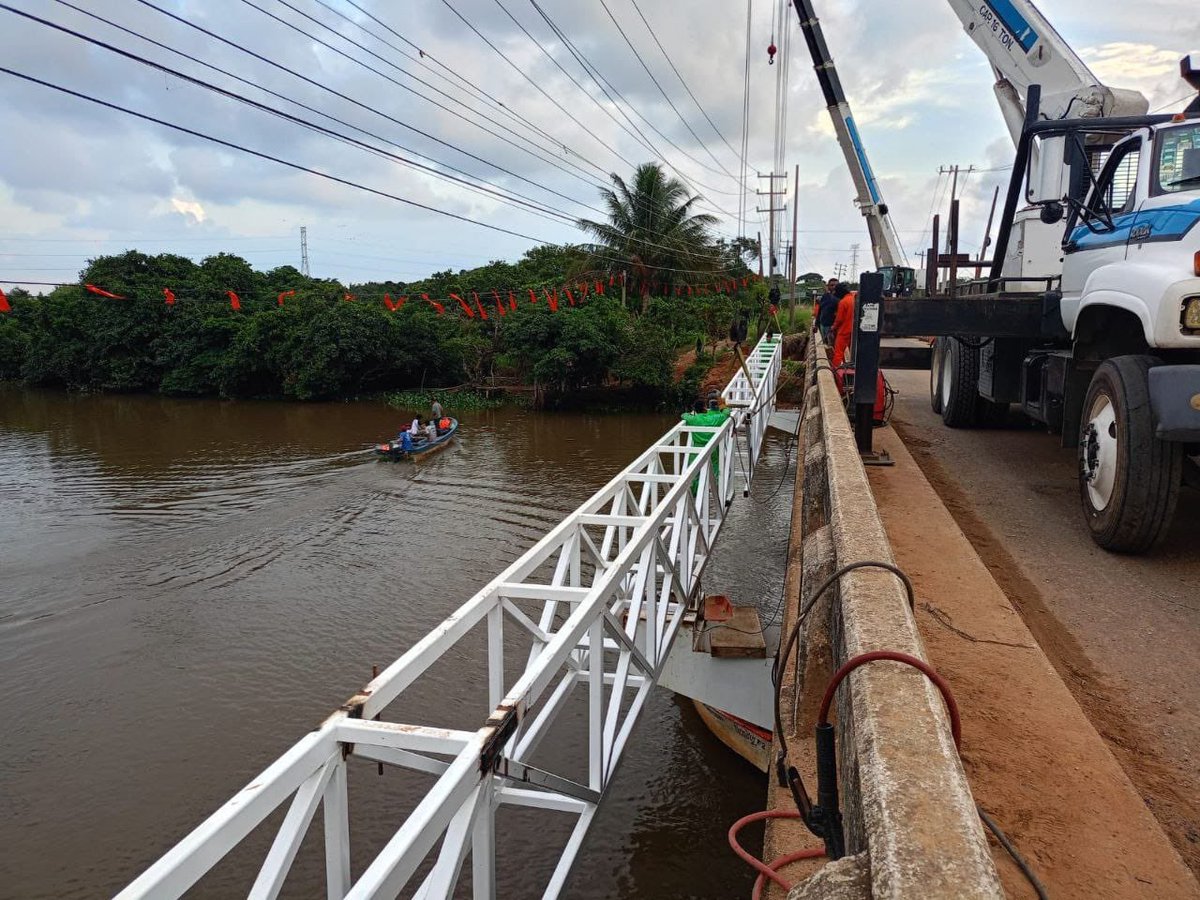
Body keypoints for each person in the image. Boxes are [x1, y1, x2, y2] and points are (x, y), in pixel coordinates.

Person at [830, 284, 857, 368]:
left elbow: (839, 319)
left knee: (838, 352)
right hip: (854, 331)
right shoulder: (854, 299)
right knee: (853, 352)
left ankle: (836, 371)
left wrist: (833, 327)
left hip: (844, 330)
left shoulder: (843, 302)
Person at [817, 278, 839, 343]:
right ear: (828, 286)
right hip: (822, 325)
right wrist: (816, 324)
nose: (834, 287)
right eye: (832, 285)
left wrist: (834, 326)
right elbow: (820, 311)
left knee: (832, 345)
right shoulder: (824, 297)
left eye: (836, 285)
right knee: (824, 345)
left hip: (832, 327)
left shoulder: (839, 298)